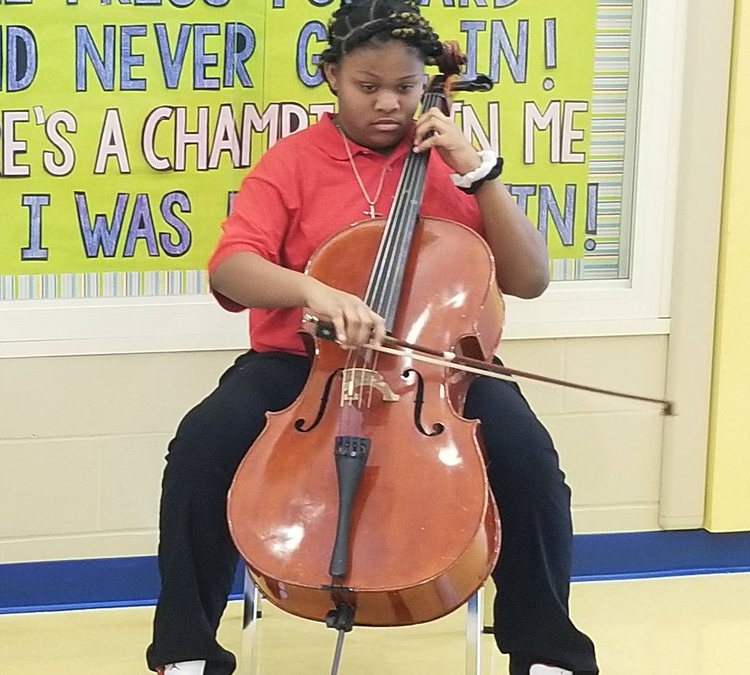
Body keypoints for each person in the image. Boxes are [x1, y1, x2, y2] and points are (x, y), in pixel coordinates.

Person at [146, 2, 598, 674]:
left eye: (406, 87)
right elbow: (231, 266)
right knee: (201, 447)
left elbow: (529, 278)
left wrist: (480, 173)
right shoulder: (293, 162)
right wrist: (313, 291)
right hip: (304, 364)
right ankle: (185, 650)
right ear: (332, 75)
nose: (389, 103)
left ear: (427, 85)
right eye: (368, 86)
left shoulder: (452, 164)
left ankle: (547, 652)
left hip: (437, 367)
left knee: (530, 462)